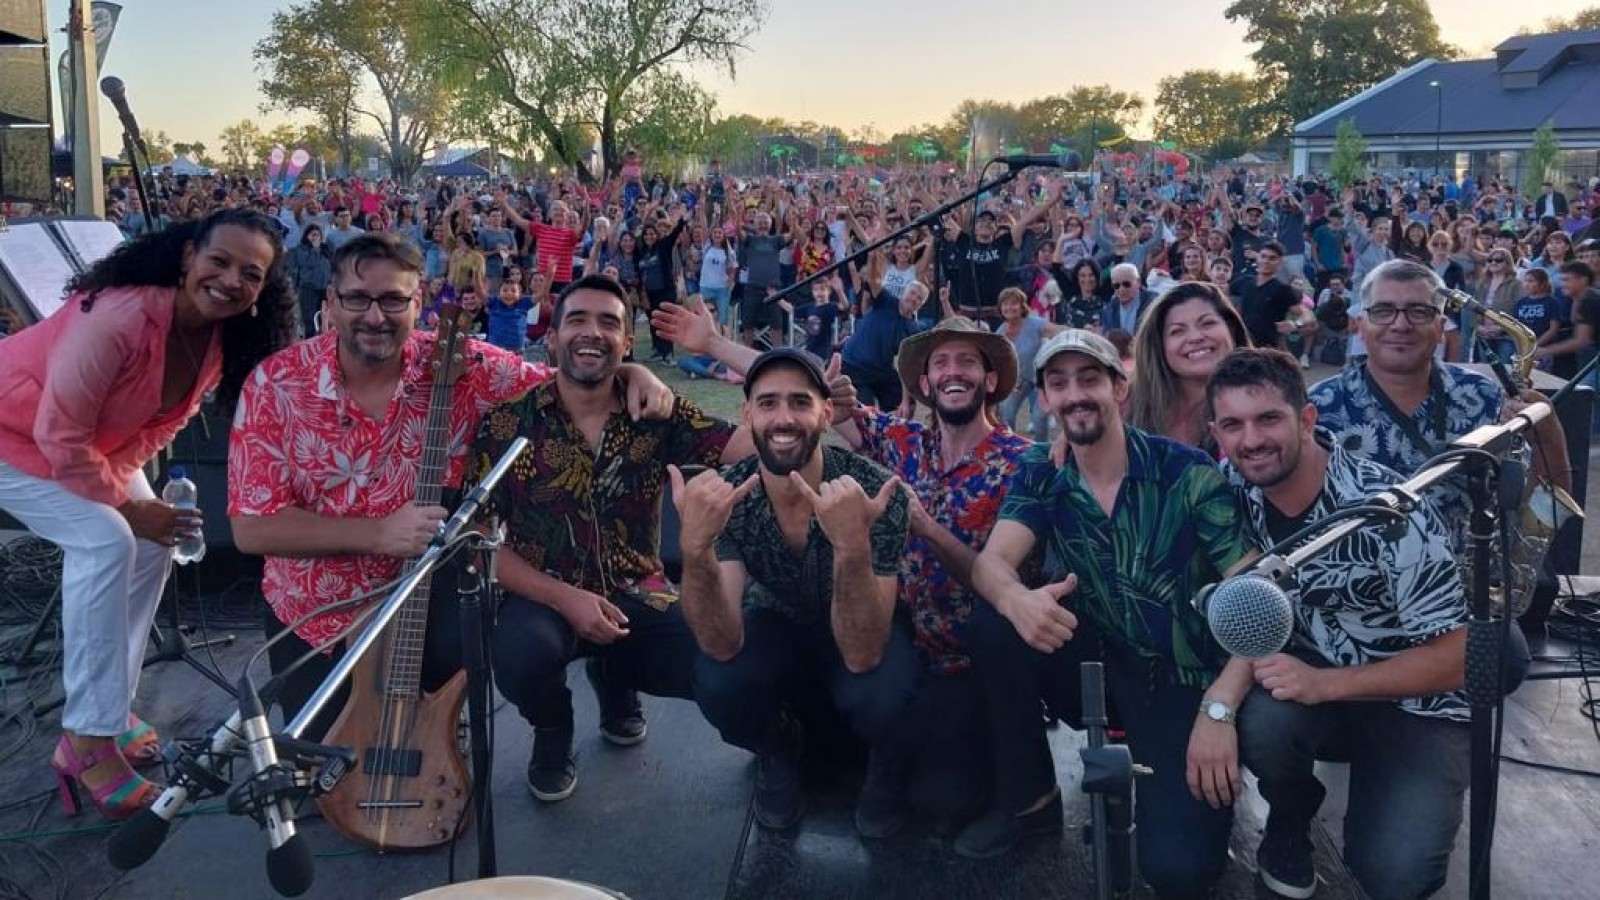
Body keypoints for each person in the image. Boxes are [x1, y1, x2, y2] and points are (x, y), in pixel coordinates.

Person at [228, 238, 674, 748]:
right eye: (357, 298)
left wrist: (631, 373)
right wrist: (377, 534)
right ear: (330, 302)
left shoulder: (460, 365)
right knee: (322, 764)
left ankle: (499, 718)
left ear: (418, 303)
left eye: (393, 300)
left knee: (427, 738)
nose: (374, 316)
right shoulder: (276, 384)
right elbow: (251, 527)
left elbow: (567, 384)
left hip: (425, 601)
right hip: (316, 612)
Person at [0, 209, 293, 820]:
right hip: (13, 436)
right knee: (106, 541)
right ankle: (86, 740)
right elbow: (58, 436)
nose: (232, 281)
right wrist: (126, 509)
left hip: (81, 444)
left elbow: (158, 426)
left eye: (251, 274)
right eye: (220, 261)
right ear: (187, 257)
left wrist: (141, 511)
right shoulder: (117, 318)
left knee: (155, 538)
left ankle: (108, 707)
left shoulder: (217, 337)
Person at [960, 330, 1254, 900]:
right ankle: (1031, 798)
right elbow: (992, 564)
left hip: (1181, 676)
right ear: (1045, 399)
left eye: (1090, 378)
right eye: (1059, 383)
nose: (1076, 394)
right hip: (1096, 661)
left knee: (1178, 871)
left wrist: (1220, 708)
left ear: (1120, 389)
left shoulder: (1187, 473)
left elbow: (1255, 597)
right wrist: (1017, 599)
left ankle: (1161, 775)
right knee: (994, 624)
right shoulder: (1043, 472)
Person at [464, 274, 750, 802]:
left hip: (639, 591)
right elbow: (477, 539)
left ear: (626, 342)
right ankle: (553, 727)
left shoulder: (657, 413)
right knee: (521, 656)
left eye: (609, 323)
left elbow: (763, 440)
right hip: (543, 596)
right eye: (577, 319)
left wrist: (719, 347)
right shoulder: (508, 424)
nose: (592, 333)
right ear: (552, 338)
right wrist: (563, 598)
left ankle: (616, 677)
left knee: (724, 667)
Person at [1209, 348, 1470, 900]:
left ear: (1307, 419)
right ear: (1217, 433)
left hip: (1416, 702)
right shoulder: (1230, 487)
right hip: (1313, 688)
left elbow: (1455, 657)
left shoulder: (1387, 509)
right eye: (1233, 424)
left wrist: (1326, 684)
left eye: (1268, 418)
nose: (1251, 439)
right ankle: (1290, 813)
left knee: (1395, 877)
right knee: (1263, 724)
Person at [673, 348, 915, 831]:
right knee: (717, 680)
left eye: (800, 402)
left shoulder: (874, 492)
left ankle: (886, 763)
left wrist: (851, 546)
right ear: (747, 414)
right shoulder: (730, 495)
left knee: (881, 692)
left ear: (826, 413)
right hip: (777, 624)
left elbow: (864, 653)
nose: (783, 418)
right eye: (768, 403)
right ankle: (778, 746)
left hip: (859, 630)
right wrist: (695, 550)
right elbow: (720, 642)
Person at [1309, 259, 1571, 554]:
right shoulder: (1318, 407)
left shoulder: (1488, 398)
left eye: (1419, 311)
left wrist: (1550, 437)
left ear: (1441, 327)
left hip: (1468, 579)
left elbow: (1536, 509)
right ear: (1360, 326)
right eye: (1383, 310)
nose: (1400, 324)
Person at [1125, 281, 1251, 454]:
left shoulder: (1267, 400)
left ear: (1231, 330)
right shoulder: (1127, 407)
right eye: (1177, 331)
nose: (1195, 337)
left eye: (1207, 323)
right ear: (1159, 346)